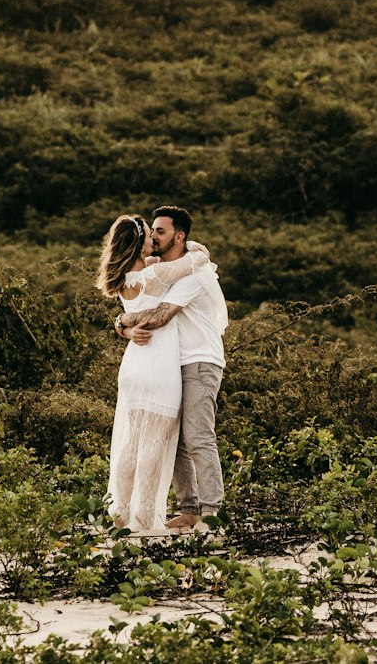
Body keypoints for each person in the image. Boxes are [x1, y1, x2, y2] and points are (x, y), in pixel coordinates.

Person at [96, 213, 213, 534]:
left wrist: (123, 324)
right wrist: (198, 250)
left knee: (131, 442)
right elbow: (195, 262)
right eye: (149, 234)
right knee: (154, 445)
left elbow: (128, 313)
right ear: (139, 241)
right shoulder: (156, 275)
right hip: (160, 365)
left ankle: (120, 512)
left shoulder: (125, 279)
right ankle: (145, 518)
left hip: (134, 362)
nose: (153, 238)